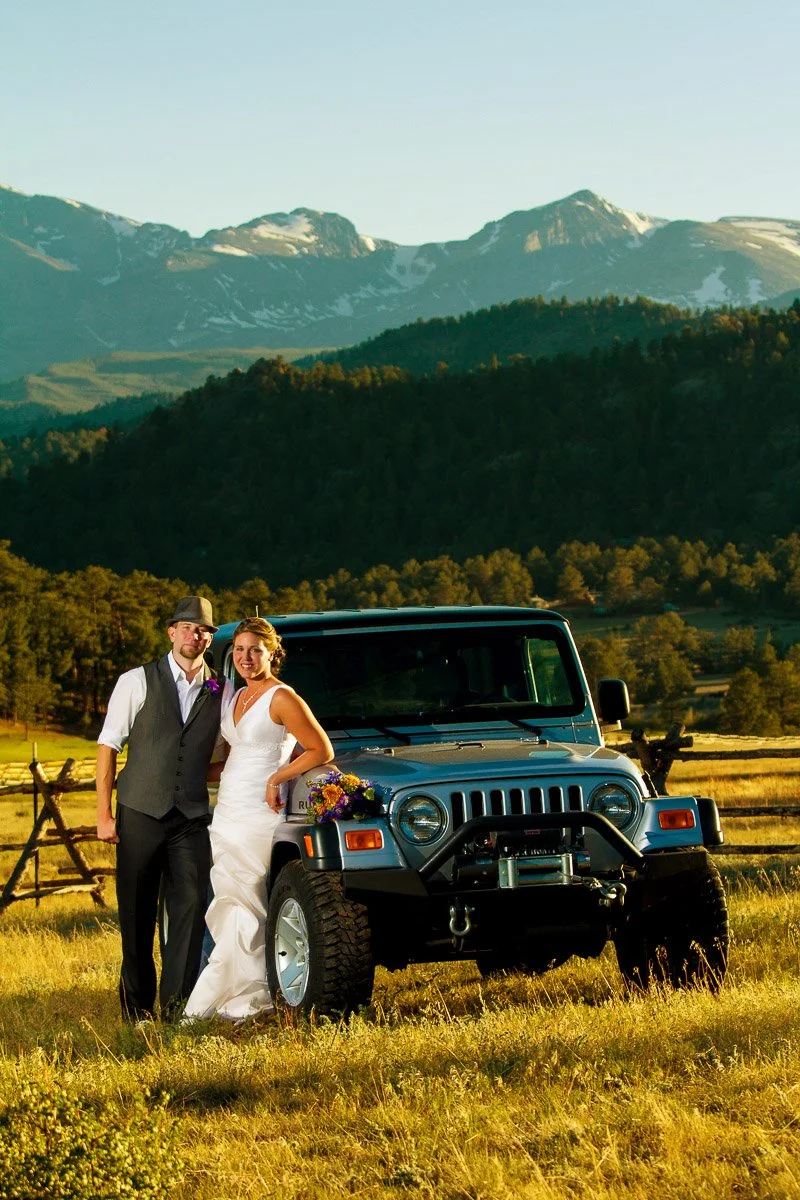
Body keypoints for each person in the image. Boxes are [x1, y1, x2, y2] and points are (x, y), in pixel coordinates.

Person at [183, 616, 333, 1022]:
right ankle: (230, 992)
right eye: (239, 650)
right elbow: (233, 758)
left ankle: (257, 993)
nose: (246, 657)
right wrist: (183, 772)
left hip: (259, 812)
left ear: (272, 653)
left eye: (255, 650)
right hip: (228, 809)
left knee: (251, 899)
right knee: (229, 900)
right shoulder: (236, 697)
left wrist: (277, 778)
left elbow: (320, 749)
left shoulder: (282, 698)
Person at [96, 595, 231, 1022]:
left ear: (210, 638)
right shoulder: (135, 681)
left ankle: (175, 1011)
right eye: (188, 627)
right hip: (138, 812)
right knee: (135, 915)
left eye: (204, 630)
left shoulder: (220, 690)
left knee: (191, 909)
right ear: (171, 632)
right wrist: (103, 815)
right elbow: (108, 748)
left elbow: (225, 754)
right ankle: (137, 1012)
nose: (196, 635)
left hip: (190, 818)